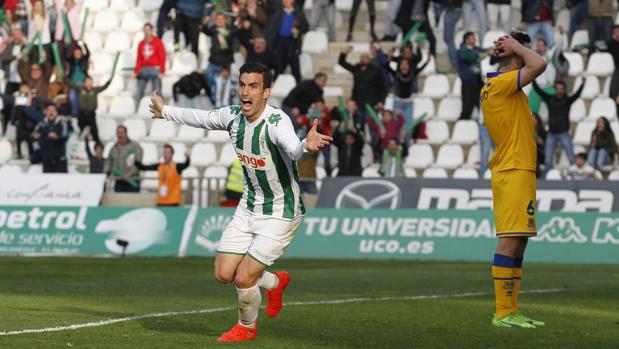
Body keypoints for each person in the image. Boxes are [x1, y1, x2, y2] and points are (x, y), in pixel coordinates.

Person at [149, 62, 332, 342]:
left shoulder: (276, 121)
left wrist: (306, 145)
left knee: (244, 278)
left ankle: (246, 328)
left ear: (266, 92)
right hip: (248, 206)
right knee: (224, 274)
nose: (246, 92)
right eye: (242, 85)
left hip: (281, 212)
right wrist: (166, 112)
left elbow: (293, 149)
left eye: (254, 86)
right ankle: (275, 282)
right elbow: (202, 117)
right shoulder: (233, 117)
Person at [480, 32, 547, 328]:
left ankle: (511, 310)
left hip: (519, 169)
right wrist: (517, 47)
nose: (527, 54)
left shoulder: (506, 87)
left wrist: (516, 47)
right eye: (523, 49)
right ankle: (503, 312)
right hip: (512, 169)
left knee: (519, 241)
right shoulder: (502, 82)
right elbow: (540, 64)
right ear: (513, 53)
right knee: (510, 241)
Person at [532, 79, 584, 175]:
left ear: (564, 90)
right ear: (555, 89)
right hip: (552, 133)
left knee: (571, 157)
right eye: (558, 88)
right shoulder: (550, 98)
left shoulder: (567, 100)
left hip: (564, 133)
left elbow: (577, 95)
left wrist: (582, 84)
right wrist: (533, 80)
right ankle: (547, 180)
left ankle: (577, 177)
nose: (559, 90)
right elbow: (539, 91)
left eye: (561, 89)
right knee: (548, 160)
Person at [265, 0, 308, 83]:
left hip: (293, 43)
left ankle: (298, 89)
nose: (285, 1)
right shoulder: (278, 11)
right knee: (279, 67)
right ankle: (275, 88)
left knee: (295, 68)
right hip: (280, 42)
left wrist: (298, 31)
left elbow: (306, 27)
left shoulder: (298, 12)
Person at [338, 46, 387, 115]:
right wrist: (344, 53)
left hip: (371, 104)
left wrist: (381, 101)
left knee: (370, 124)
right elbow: (341, 62)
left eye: (365, 57)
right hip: (357, 103)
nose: (363, 59)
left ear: (369, 60)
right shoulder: (356, 69)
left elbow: (383, 88)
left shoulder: (376, 70)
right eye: (361, 58)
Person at [64, 76, 111, 143]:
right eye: (87, 82)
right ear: (84, 83)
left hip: (91, 114)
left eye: (90, 82)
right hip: (82, 114)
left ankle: (97, 146)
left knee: (94, 131)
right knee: (80, 130)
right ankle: (81, 145)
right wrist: (65, 78)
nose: (89, 84)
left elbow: (104, 87)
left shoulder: (95, 90)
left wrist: (108, 82)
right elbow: (71, 85)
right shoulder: (80, 89)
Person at [105, 125, 144, 193]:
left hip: (132, 180)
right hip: (119, 181)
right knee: (119, 202)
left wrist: (130, 174)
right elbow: (109, 161)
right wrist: (106, 170)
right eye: (118, 133)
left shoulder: (134, 146)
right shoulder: (114, 148)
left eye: (121, 132)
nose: (120, 135)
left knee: (133, 202)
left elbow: (138, 162)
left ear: (126, 133)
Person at [458, 31, 487, 120]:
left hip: (478, 81)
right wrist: (480, 55)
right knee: (467, 109)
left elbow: (486, 51)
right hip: (468, 83)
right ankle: (461, 129)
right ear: (466, 40)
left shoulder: (476, 49)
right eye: (472, 38)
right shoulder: (461, 51)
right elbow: (468, 57)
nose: (475, 39)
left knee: (484, 107)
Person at [133, 23, 166, 100]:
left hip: (155, 69)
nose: (146, 32)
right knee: (139, 91)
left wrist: (162, 71)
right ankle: (137, 108)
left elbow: (162, 57)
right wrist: (135, 71)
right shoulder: (141, 43)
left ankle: (162, 110)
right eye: (145, 30)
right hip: (144, 69)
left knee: (157, 91)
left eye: (148, 30)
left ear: (152, 31)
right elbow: (139, 59)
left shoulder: (158, 42)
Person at [32, 104, 68, 173]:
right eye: (49, 110)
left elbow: (64, 138)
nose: (51, 112)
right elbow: (35, 136)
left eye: (53, 110)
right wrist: (45, 136)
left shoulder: (62, 123)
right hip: (46, 158)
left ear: (57, 113)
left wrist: (57, 137)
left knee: (62, 181)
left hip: (60, 158)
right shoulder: (41, 124)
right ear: (45, 112)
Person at [203, 12, 235, 89]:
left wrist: (225, 67)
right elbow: (205, 31)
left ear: (225, 20)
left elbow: (228, 49)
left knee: (225, 84)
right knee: (209, 80)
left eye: (221, 19)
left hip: (225, 61)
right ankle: (214, 94)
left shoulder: (230, 30)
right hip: (213, 60)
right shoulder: (213, 29)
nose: (219, 21)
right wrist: (205, 23)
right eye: (217, 19)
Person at [443, 0, 463, 70]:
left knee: (449, 40)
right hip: (450, 10)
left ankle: (455, 65)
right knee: (446, 39)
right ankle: (456, 64)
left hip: (453, 10)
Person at [608, 25, 619, 116]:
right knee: (613, 91)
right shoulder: (611, 44)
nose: (617, 33)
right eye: (615, 31)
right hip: (617, 67)